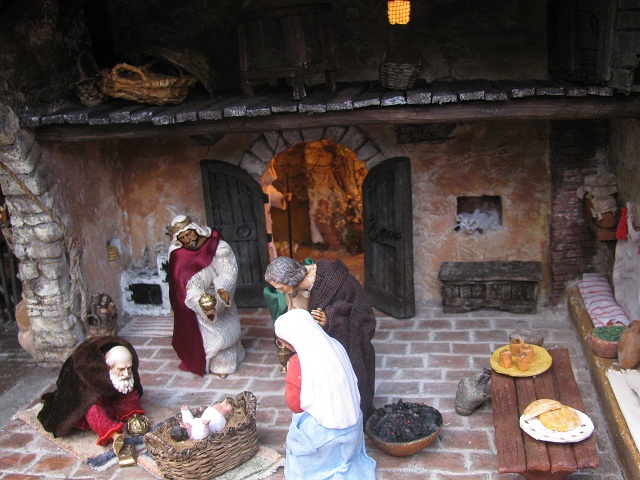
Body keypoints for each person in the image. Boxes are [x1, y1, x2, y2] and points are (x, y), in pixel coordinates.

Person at [264, 256, 377, 422]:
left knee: (351, 378)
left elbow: (359, 312)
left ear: (290, 280)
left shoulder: (335, 281)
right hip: (325, 341)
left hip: (351, 336)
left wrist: (329, 319)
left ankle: (354, 413)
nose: (280, 292)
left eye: (281, 288)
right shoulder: (299, 288)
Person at [274, 309, 376, 479]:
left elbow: (294, 404)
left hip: (328, 436)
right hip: (354, 428)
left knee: (297, 429)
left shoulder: (299, 362)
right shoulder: (335, 344)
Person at [37, 336, 147, 466]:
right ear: (108, 366)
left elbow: (129, 384)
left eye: (129, 368)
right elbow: (82, 401)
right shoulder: (87, 372)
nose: (126, 373)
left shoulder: (124, 372)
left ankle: (131, 414)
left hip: (110, 396)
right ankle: (113, 435)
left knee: (127, 387)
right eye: (121, 369)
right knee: (92, 409)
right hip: (91, 400)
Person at [167, 215, 245, 377]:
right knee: (201, 337)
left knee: (224, 339)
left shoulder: (218, 247)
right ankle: (201, 359)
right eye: (182, 238)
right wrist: (199, 302)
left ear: (195, 229)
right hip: (195, 302)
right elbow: (179, 284)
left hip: (218, 296)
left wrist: (223, 290)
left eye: (188, 234)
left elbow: (228, 272)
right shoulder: (178, 254)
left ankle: (225, 361)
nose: (187, 240)